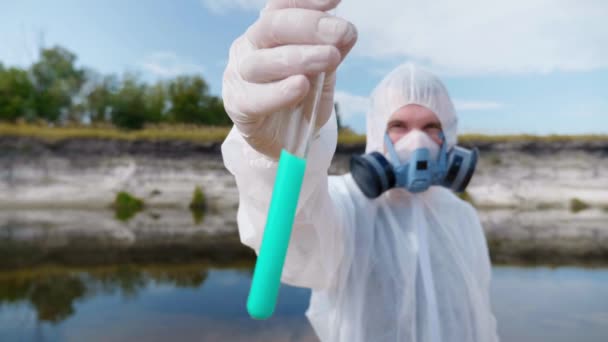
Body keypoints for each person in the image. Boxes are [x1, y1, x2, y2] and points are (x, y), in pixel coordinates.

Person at [221, 0, 499, 341]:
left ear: (449, 135)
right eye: (398, 125)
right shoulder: (347, 205)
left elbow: (481, 316)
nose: (417, 142)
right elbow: (301, 243)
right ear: (376, 130)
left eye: (430, 126)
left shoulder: (462, 217)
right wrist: (278, 158)